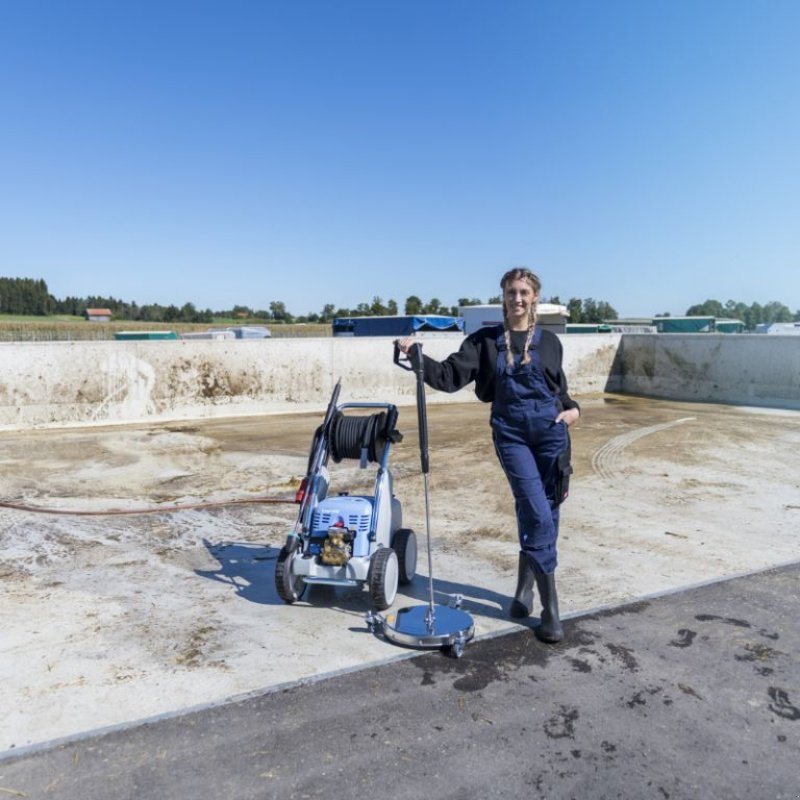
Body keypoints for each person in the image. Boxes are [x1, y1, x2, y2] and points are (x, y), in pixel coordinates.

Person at [396, 267, 579, 643]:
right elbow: (448, 377)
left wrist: (573, 408)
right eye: (511, 292)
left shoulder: (549, 342)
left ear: (535, 297)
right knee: (537, 511)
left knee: (547, 511)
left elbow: (558, 388)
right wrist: (416, 356)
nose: (517, 298)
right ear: (503, 297)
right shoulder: (484, 342)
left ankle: (524, 589)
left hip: (551, 435)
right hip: (512, 436)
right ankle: (551, 610)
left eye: (524, 292)